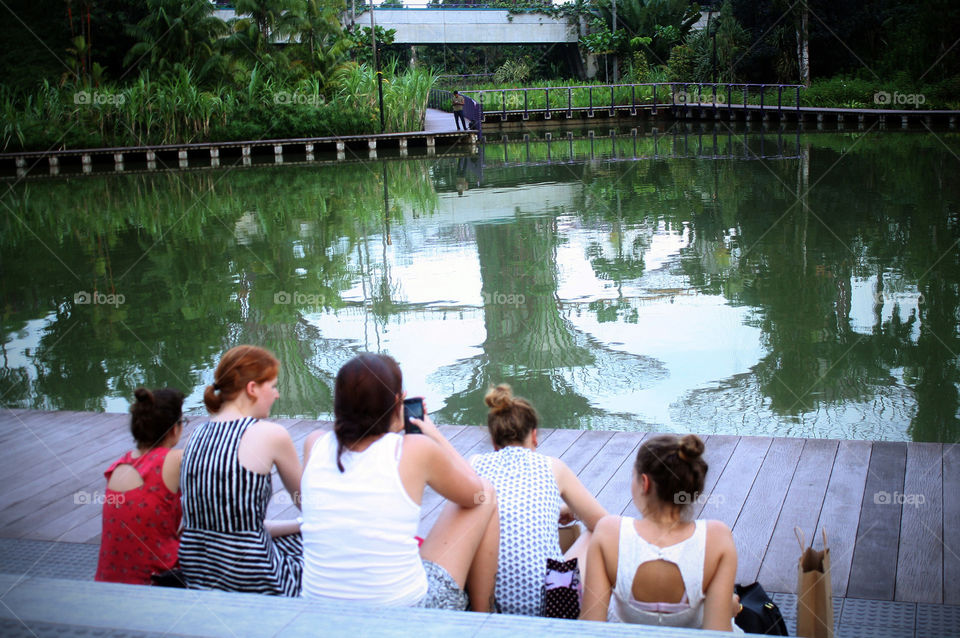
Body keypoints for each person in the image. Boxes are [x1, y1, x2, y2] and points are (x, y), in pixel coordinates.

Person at [300, 353, 499, 611]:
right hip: (406, 612)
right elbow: (476, 492)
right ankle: (483, 617)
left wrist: (390, 423)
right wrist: (433, 433)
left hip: (318, 610)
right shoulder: (413, 449)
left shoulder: (314, 443)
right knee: (488, 494)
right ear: (397, 402)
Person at [470, 384, 607, 616]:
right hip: (550, 605)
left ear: (494, 442)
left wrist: (556, 511)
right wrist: (569, 511)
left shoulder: (474, 465)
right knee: (597, 532)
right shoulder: (552, 467)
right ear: (534, 436)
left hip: (488, 602)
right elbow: (603, 524)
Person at [580, 434, 741, 632]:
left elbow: (589, 626)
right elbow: (717, 632)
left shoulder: (609, 532)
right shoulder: (717, 538)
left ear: (644, 483)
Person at [178, 345, 303, 596]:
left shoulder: (196, 436)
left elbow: (236, 528)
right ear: (252, 388)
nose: (276, 395)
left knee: (297, 536)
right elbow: (313, 507)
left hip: (197, 572)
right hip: (252, 575)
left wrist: (299, 525)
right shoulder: (270, 434)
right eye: (273, 386)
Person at [95, 387, 185, 584]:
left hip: (106, 582)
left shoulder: (119, 466)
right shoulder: (176, 459)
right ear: (174, 428)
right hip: (155, 582)